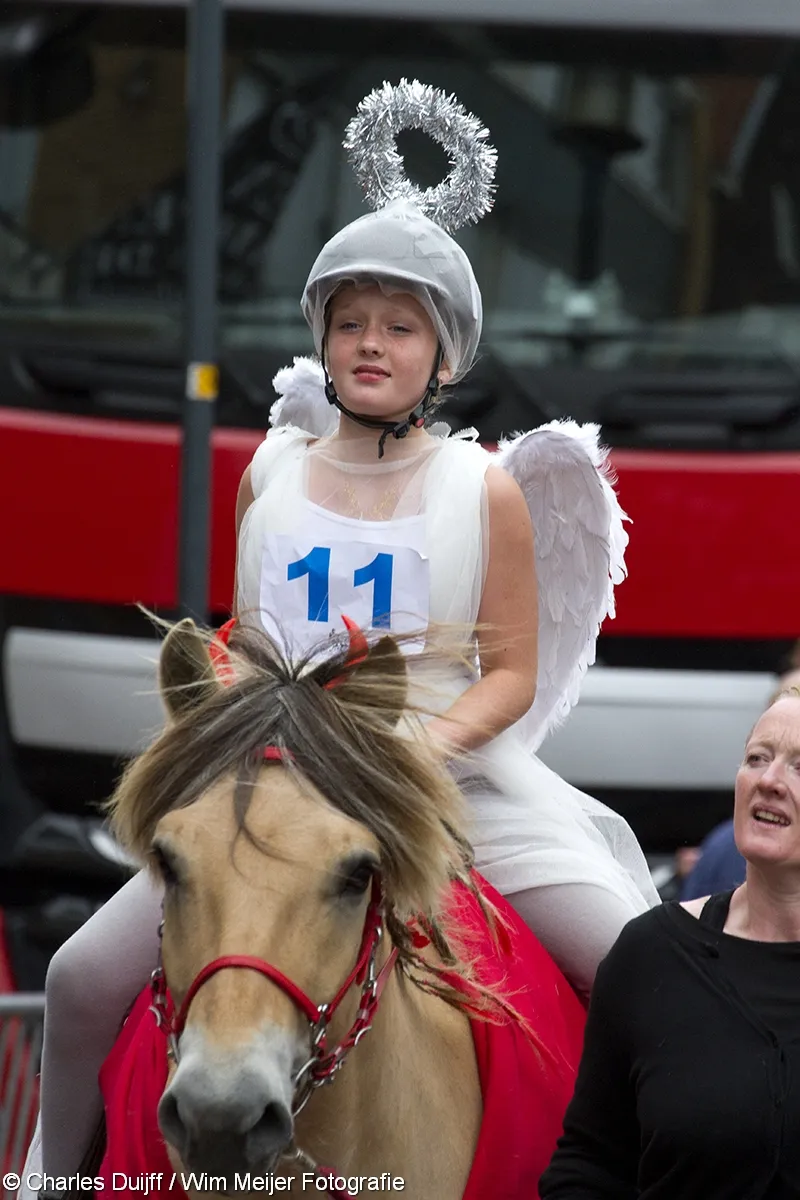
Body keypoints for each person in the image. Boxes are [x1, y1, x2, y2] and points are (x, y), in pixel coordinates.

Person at [30, 81, 657, 1188]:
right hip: (274, 780)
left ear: (442, 356)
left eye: (399, 327)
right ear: (321, 336)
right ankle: (47, 1174)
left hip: (442, 782)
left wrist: (411, 752)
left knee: (636, 969)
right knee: (79, 976)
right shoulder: (269, 468)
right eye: (350, 323)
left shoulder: (488, 487)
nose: (371, 344)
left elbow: (513, 672)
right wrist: (221, 695)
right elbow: (244, 633)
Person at [540, 685, 800, 1199]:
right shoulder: (650, 955)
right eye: (757, 758)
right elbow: (589, 1166)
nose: (769, 780)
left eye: (799, 767)